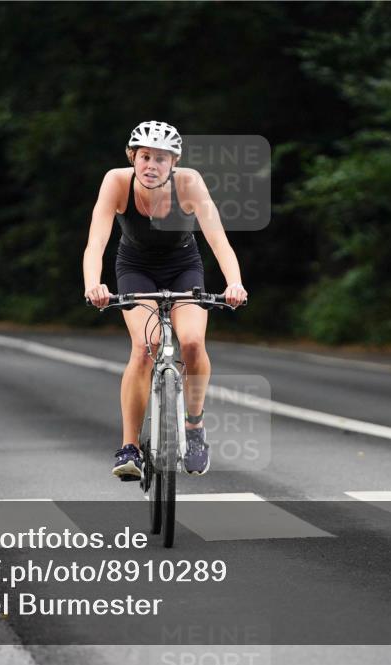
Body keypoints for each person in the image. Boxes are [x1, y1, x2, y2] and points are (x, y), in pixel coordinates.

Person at [83, 121, 247, 481]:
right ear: (132, 157)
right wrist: (93, 284)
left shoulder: (190, 183)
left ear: (174, 163)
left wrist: (234, 283)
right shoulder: (116, 182)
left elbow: (218, 239)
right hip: (135, 267)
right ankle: (130, 448)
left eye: (161, 158)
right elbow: (96, 240)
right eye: (145, 157)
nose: (151, 165)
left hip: (183, 267)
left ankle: (194, 425)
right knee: (145, 345)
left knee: (190, 342)